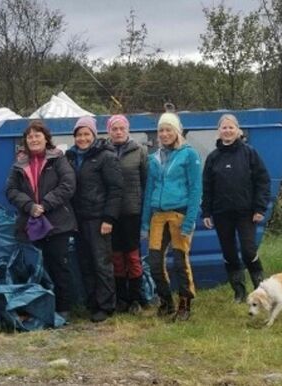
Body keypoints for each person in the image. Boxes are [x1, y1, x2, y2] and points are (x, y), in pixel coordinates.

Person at [6, 120, 76, 320]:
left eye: (38, 135)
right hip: (29, 224)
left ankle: (63, 308)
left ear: (46, 138)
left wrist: (45, 204)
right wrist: (30, 206)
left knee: (58, 266)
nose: (34, 139)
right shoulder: (18, 164)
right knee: (32, 267)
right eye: (30, 137)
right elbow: (10, 190)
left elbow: (68, 185)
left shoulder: (58, 160)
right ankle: (36, 308)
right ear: (25, 141)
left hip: (57, 223)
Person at [202, 114, 270, 303]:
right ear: (219, 131)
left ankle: (262, 290)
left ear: (238, 130)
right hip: (221, 213)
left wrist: (260, 208)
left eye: (231, 127)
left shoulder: (250, 153)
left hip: (246, 212)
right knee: (229, 253)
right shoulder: (213, 158)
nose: (228, 131)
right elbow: (206, 187)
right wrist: (206, 212)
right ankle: (239, 292)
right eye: (224, 128)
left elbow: (263, 181)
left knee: (249, 251)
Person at [141, 112, 202, 321]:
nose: (164, 134)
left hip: (180, 214)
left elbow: (196, 190)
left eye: (169, 130)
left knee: (179, 261)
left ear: (177, 131)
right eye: (161, 130)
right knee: (154, 262)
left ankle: (185, 304)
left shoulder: (189, 154)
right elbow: (149, 190)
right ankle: (166, 301)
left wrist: (190, 221)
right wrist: (144, 223)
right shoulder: (154, 158)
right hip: (157, 216)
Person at [66, 116, 123, 323]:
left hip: (99, 218)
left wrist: (109, 218)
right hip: (78, 219)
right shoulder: (70, 157)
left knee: (102, 263)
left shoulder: (106, 157)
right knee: (86, 263)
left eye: (86, 134)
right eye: (79, 134)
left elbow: (116, 190)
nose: (82, 138)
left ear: (94, 135)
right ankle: (92, 302)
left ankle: (106, 305)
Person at [106, 115, 148, 314]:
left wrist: (146, 212)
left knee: (132, 256)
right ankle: (121, 297)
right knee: (116, 257)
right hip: (110, 214)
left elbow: (146, 183)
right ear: (109, 131)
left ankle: (136, 298)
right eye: (114, 129)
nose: (118, 132)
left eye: (122, 128)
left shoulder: (140, 151)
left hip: (133, 211)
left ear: (128, 129)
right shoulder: (103, 151)